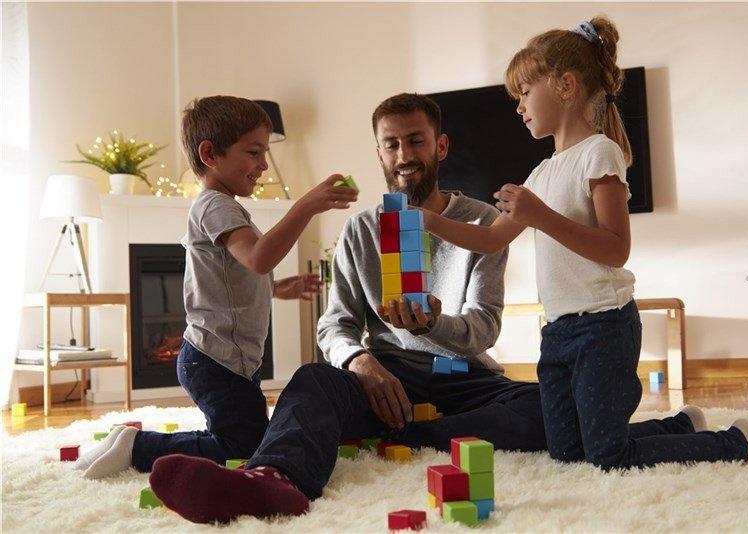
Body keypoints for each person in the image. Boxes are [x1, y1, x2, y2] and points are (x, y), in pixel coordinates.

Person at [146, 93, 709, 524]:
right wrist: (361, 363)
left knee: (544, 407)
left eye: (415, 141)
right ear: (379, 154)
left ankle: (417, 437)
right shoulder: (363, 228)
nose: (403, 155)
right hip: (385, 378)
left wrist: (435, 323)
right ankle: (275, 478)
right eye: (391, 144)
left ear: (439, 148)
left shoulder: (485, 223)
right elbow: (335, 325)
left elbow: (484, 329)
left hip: (461, 376)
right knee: (314, 382)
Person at [421, 17, 748, 470]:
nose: (518, 106)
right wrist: (428, 221)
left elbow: (616, 248)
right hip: (557, 331)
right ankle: (678, 426)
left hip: (603, 326)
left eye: (523, 91)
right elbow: (489, 238)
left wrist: (540, 215)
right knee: (568, 452)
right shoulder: (541, 172)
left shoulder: (600, 152)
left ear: (565, 85)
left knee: (608, 458)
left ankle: (737, 442)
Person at [75, 95, 358, 480]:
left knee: (243, 437)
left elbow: (234, 275)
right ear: (210, 153)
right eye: (254, 151)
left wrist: (279, 286)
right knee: (242, 446)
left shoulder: (220, 207)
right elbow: (258, 257)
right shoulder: (216, 205)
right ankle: (138, 447)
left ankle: (124, 440)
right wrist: (305, 205)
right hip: (217, 360)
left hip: (225, 359)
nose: (262, 164)